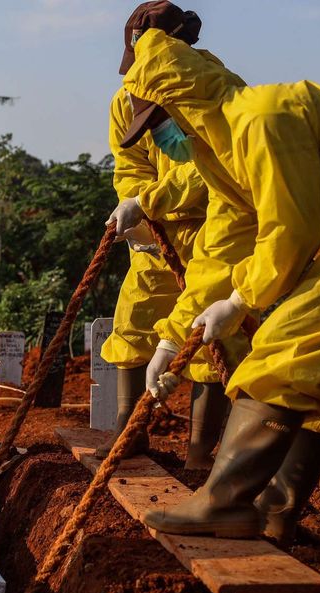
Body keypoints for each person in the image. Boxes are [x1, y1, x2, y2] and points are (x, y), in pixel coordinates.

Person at [123, 29, 320, 542]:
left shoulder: (259, 117)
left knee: (287, 347)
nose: (162, 139)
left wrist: (241, 299)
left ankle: (224, 502)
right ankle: (277, 512)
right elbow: (219, 251)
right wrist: (172, 338)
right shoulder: (221, 157)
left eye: (162, 123)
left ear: (186, 102)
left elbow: (290, 229)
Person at [98, 0, 247, 468]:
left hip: (214, 228)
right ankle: (128, 441)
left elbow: (216, 172)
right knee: (134, 322)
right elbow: (129, 165)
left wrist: (151, 201)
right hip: (156, 238)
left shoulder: (219, 92)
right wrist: (136, 209)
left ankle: (200, 458)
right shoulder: (127, 100)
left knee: (210, 338)